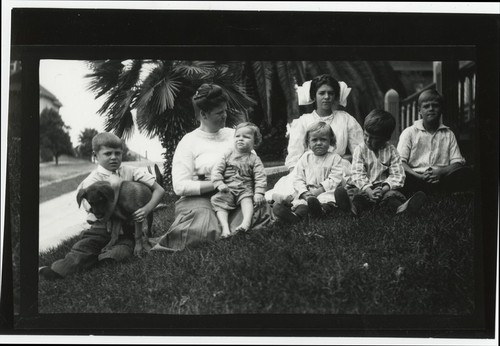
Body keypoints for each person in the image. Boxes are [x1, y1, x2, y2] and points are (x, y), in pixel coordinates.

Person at [151, 84, 274, 251]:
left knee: (258, 209)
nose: (225, 116)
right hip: (200, 198)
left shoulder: (233, 134)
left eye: (225, 110)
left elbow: (254, 163)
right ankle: (223, 230)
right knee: (202, 222)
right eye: (219, 113)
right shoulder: (189, 142)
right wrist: (218, 184)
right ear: (203, 114)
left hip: (237, 193)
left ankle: (230, 229)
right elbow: (180, 186)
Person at [39, 132, 165, 280]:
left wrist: (147, 209)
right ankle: (57, 270)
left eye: (117, 153)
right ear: (95, 155)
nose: (113, 157)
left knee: (120, 252)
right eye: (108, 153)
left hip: (127, 228)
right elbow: (101, 217)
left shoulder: (130, 171)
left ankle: (105, 257)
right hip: (101, 228)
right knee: (85, 247)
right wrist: (116, 188)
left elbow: (159, 190)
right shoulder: (90, 182)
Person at [265, 74, 363, 203]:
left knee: (347, 187)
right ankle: (295, 201)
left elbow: (359, 150)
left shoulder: (346, 119)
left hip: (337, 167)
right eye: (322, 93)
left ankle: (325, 200)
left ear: (335, 96)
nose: (326, 97)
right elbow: (294, 155)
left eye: (330, 93)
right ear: (314, 96)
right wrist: (298, 176)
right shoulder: (303, 121)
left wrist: (358, 168)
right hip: (309, 169)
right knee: (292, 189)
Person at [336, 109, 427, 216]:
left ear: (386, 138)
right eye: (366, 135)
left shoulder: (392, 151)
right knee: (359, 197)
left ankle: (402, 208)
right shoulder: (360, 150)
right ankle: (352, 208)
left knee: (391, 196)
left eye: (374, 138)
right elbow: (357, 173)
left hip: (383, 188)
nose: (368, 140)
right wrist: (369, 191)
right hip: (363, 187)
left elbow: (397, 175)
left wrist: (383, 190)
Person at [396, 89, 473, 195]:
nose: (431, 109)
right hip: (416, 177)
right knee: (398, 174)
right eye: (426, 106)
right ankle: (422, 193)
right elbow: (400, 162)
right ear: (419, 111)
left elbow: (457, 163)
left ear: (441, 109)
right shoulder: (409, 132)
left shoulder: (448, 134)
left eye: (435, 105)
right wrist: (419, 176)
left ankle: (440, 191)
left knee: (466, 172)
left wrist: (441, 172)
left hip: (441, 177)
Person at [272, 121, 350, 222]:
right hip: (308, 192)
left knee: (327, 201)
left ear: (330, 141)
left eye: (323, 139)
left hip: (325, 191)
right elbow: (298, 178)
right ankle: (296, 216)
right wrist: (305, 193)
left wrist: (320, 190)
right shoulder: (305, 158)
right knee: (302, 204)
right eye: (314, 140)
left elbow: (335, 178)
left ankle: (320, 211)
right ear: (308, 142)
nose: (318, 143)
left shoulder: (335, 158)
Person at [211, 122, 267, 237]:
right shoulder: (227, 155)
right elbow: (216, 170)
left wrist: (259, 193)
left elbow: (260, 177)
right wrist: (219, 183)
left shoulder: (254, 159)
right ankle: (225, 228)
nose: (240, 139)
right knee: (219, 201)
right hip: (228, 188)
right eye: (238, 136)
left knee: (247, 200)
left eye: (246, 137)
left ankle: (245, 223)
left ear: (254, 142)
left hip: (245, 188)